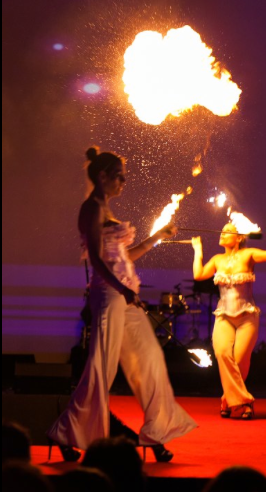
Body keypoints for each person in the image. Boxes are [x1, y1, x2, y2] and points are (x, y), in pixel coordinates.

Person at [47, 146, 197, 462]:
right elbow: (96, 259)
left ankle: (156, 435)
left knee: (150, 361)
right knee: (101, 368)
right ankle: (65, 432)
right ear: (103, 176)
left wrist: (157, 236)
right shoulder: (91, 209)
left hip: (125, 296)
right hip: (109, 296)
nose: (124, 182)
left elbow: (125, 256)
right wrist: (121, 289)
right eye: (119, 176)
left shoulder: (105, 209)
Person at [192, 224, 266, 419]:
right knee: (222, 353)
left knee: (239, 361)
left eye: (227, 231)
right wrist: (198, 250)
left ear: (239, 238)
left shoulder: (249, 255)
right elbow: (198, 275)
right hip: (224, 316)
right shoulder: (217, 260)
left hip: (247, 317)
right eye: (222, 230)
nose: (222, 233)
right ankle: (245, 401)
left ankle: (226, 400)